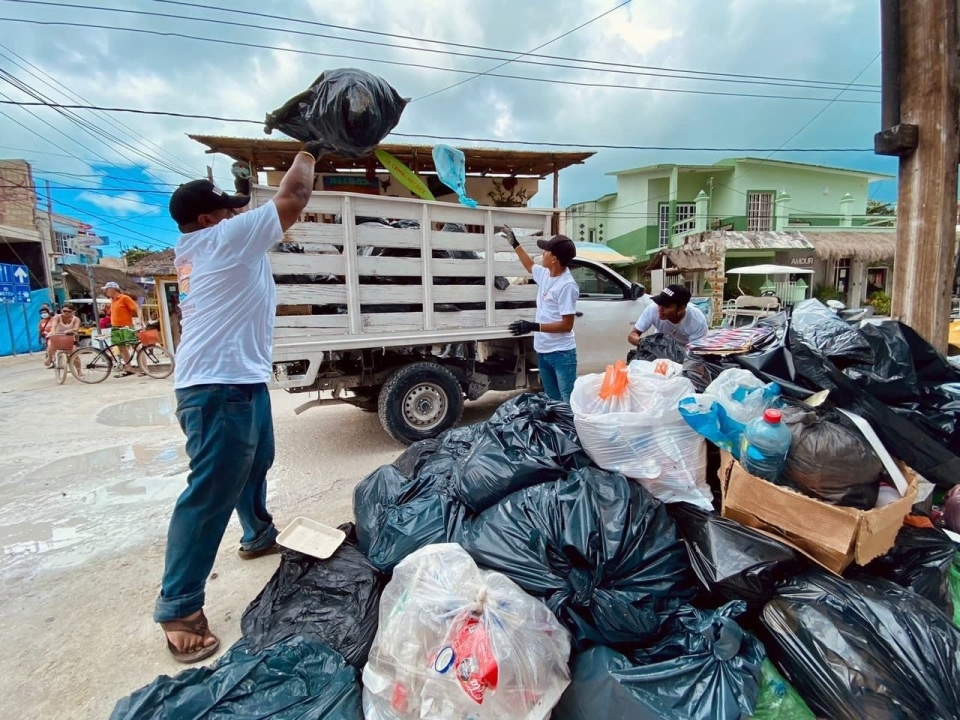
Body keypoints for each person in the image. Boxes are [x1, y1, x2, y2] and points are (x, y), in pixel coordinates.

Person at [154, 141, 320, 664]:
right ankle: (178, 607)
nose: (240, 213)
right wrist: (310, 149)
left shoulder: (212, 244)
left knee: (256, 462)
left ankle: (257, 533)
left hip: (237, 379)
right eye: (229, 208)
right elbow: (294, 196)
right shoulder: (220, 240)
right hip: (216, 386)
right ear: (207, 219)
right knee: (209, 493)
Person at [502, 227, 580, 403]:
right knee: (552, 400)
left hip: (561, 354)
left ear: (554, 258)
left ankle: (571, 431)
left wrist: (532, 326)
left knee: (567, 401)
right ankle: (556, 431)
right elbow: (529, 266)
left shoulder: (567, 285)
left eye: (545, 251)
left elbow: (567, 325)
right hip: (543, 351)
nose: (542, 254)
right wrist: (515, 244)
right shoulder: (545, 274)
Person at [628, 284, 709, 348]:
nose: (660, 309)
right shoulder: (653, 309)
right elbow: (632, 335)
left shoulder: (697, 321)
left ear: (681, 309)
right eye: (659, 303)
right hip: (660, 347)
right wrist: (644, 343)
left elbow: (695, 353)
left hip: (686, 352)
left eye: (666, 306)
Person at [101, 281, 143, 376]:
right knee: (122, 348)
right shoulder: (112, 300)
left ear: (113, 289)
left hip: (126, 326)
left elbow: (136, 308)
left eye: (107, 289)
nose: (106, 291)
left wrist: (139, 320)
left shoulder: (124, 298)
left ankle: (144, 368)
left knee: (136, 346)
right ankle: (129, 368)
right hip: (116, 327)